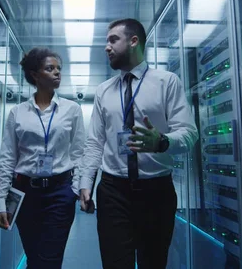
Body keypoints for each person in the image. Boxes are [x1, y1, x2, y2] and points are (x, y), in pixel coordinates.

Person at [78, 18, 199, 268]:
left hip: (156, 191)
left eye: (113, 40)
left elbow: (188, 133)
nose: (106, 47)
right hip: (113, 191)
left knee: (153, 263)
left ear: (134, 41)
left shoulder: (167, 82)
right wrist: (86, 181)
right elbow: (95, 142)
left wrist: (162, 142)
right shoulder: (103, 90)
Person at [0, 47, 86, 269]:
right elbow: (7, 158)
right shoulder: (18, 113)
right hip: (25, 194)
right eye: (50, 68)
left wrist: (75, 189)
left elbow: (79, 152)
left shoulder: (72, 110)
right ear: (35, 75)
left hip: (60, 193)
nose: (57, 73)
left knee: (50, 259)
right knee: (34, 257)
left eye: (59, 69)